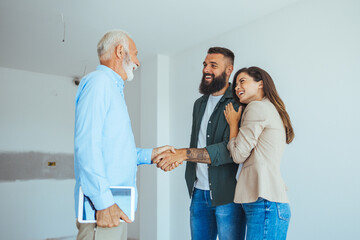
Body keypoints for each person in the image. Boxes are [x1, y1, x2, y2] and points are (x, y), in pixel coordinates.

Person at [74, 30, 174, 240]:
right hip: (103, 210)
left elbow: (114, 150)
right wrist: (104, 203)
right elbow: (87, 146)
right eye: (135, 54)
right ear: (120, 51)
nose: (137, 61)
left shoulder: (112, 88)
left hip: (114, 208)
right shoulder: (99, 82)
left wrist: (151, 154)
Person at [154, 47, 246, 240]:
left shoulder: (239, 104)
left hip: (228, 195)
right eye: (205, 65)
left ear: (229, 70)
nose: (206, 69)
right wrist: (177, 157)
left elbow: (229, 150)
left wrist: (183, 154)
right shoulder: (199, 104)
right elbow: (198, 141)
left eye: (213, 65)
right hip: (199, 193)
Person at [223, 66, 294, 240]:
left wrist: (233, 125)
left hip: (265, 203)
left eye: (242, 81)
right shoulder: (270, 108)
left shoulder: (256, 107)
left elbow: (239, 155)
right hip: (268, 202)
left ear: (260, 83)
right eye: (236, 84)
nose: (237, 87)